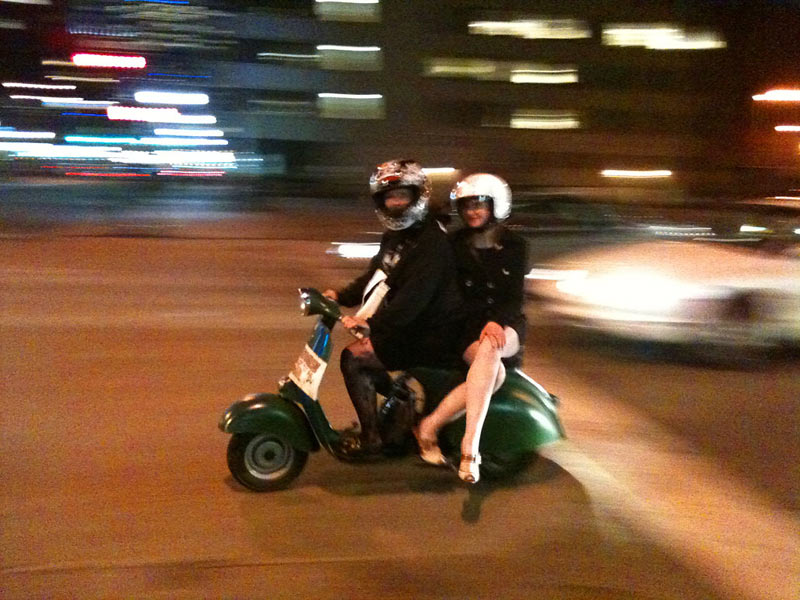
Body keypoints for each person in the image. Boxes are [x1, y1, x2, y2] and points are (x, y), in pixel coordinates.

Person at [323, 159, 465, 459]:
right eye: (389, 197)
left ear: (418, 196)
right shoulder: (397, 236)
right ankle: (399, 403)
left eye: (402, 195)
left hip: (433, 334)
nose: (396, 202)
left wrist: (373, 324)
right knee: (361, 353)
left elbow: (413, 301)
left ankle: (372, 439)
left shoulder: (431, 243)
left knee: (355, 358)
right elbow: (377, 274)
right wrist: (340, 294)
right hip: (413, 326)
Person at [412, 173, 527, 483]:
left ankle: (468, 446)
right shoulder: (454, 243)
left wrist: (497, 321)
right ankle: (434, 428)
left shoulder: (516, 245)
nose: (472, 212)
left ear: (495, 205)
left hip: (507, 325)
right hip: (467, 327)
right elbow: (443, 288)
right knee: (496, 372)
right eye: (466, 206)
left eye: (479, 204)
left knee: (492, 344)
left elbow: (514, 298)